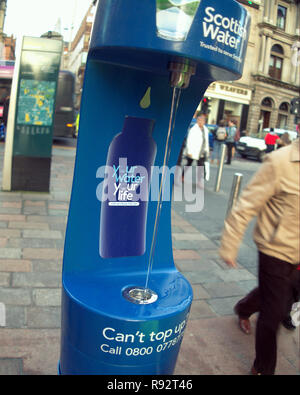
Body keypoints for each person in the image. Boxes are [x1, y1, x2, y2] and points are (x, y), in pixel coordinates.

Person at [219, 137, 300, 375]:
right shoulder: (279, 161)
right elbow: (246, 206)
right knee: (273, 313)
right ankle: (262, 368)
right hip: (274, 251)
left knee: (284, 297)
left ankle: (244, 308)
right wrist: (229, 245)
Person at [182, 113, 210, 186]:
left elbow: (206, 141)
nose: (201, 122)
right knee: (188, 164)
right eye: (200, 120)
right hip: (193, 151)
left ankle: (199, 181)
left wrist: (207, 150)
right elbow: (189, 141)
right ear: (197, 120)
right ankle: (182, 176)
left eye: (202, 120)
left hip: (201, 152)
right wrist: (189, 151)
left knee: (200, 167)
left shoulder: (205, 129)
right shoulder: (193, 129)